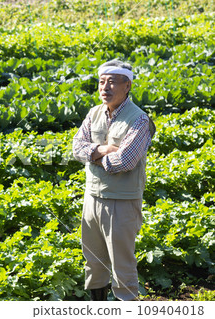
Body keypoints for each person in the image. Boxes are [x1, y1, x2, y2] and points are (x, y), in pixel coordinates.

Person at [72, 59, 155, 301]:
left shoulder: (139, 120)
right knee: (94, 262)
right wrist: (103, 150)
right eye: (101, 82)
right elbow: (77, 147)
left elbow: (124, 162)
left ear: (127, 85)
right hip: (92, 198)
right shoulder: (94, 113)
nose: (105, 88)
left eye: (112, 82)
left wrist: (93, 155)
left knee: (122, 267)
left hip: (121, 201)